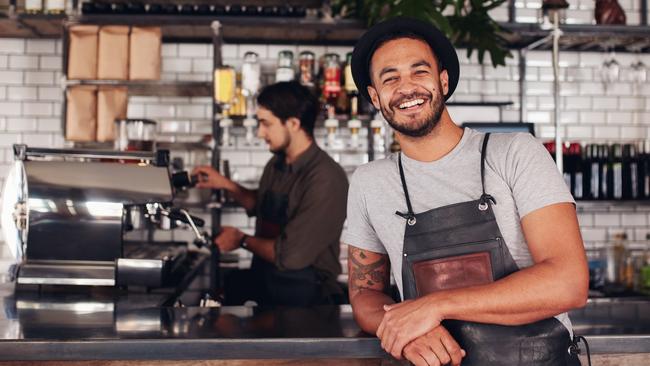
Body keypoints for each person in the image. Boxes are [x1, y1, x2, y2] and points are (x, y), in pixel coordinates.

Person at [342, 17, 589, 366]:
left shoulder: (515, 153)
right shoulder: (369, 183)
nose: (406, 87)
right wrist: (402, 327)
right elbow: (365, 292)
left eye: (419, 71)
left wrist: (434, 306)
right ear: (375, 97)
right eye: (390, 78)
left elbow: (569, 283)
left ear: (443, 80)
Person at [193, 81, 348, 306]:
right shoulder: (276, 164)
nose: (259, 132)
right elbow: (261, 205)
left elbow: (290, 256)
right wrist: (225, 184)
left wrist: (242, 240)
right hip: (269, 285)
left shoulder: (326, 178)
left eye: (266, 123)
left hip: (305, 298)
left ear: (293, 123)